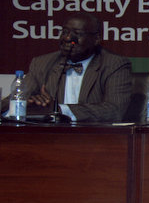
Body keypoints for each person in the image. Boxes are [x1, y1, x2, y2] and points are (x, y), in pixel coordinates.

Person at [2, 12, 131, 122]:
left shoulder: (114, 64)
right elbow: (15, 100)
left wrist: (59, 109)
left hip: (92, 139)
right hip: (48, 138)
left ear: (96, 39)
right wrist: (27, 105)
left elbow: (115, 110)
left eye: (77, 33)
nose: (68, 38)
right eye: (64, 32)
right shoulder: (42, 63)